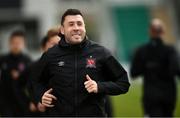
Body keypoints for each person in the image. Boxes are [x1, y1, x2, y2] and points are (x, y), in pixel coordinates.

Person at [32, 9, 130, 117]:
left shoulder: (101, 53)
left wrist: (99, 86)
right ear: (62, 30)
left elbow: (123, 83)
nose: (76, 28)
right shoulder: (50, 55)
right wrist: (41, 95)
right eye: (71, 24)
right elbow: (35, 81)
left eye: (79, 24)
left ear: (84, 28)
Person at [130, 18, 180, 117]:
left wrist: (148, 67)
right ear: (163, 31)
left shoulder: (142, 51)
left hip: (150, 96)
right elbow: (176, 69)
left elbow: (134, 73)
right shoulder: (170, 50)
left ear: (150, 31)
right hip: (168, 95)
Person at [27, 28, 61, 116]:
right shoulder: (36, 65)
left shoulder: (70, 61)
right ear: (47, 44)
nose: (56, 47)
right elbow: (32, 85)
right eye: (53, 44)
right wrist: (38, 100)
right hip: (48, 110)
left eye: (59, 44)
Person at [0, 30, 32, 116]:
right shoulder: (3, 59)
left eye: (19, 43)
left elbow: (31, 82)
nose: (16, 45)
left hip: (23, 102)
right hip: (6, 102)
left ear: (24, 44)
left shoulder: (27, 60)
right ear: (9, 43)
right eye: (14, 42)